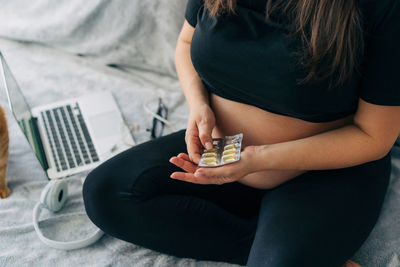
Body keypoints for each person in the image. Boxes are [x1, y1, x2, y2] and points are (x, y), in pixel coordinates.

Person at [82, 0, 400, 266]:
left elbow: (373, 136)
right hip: (221, 153)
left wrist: (259, 158)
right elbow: (186, 43)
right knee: (106, 193)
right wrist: (198, 106)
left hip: (322, 168)